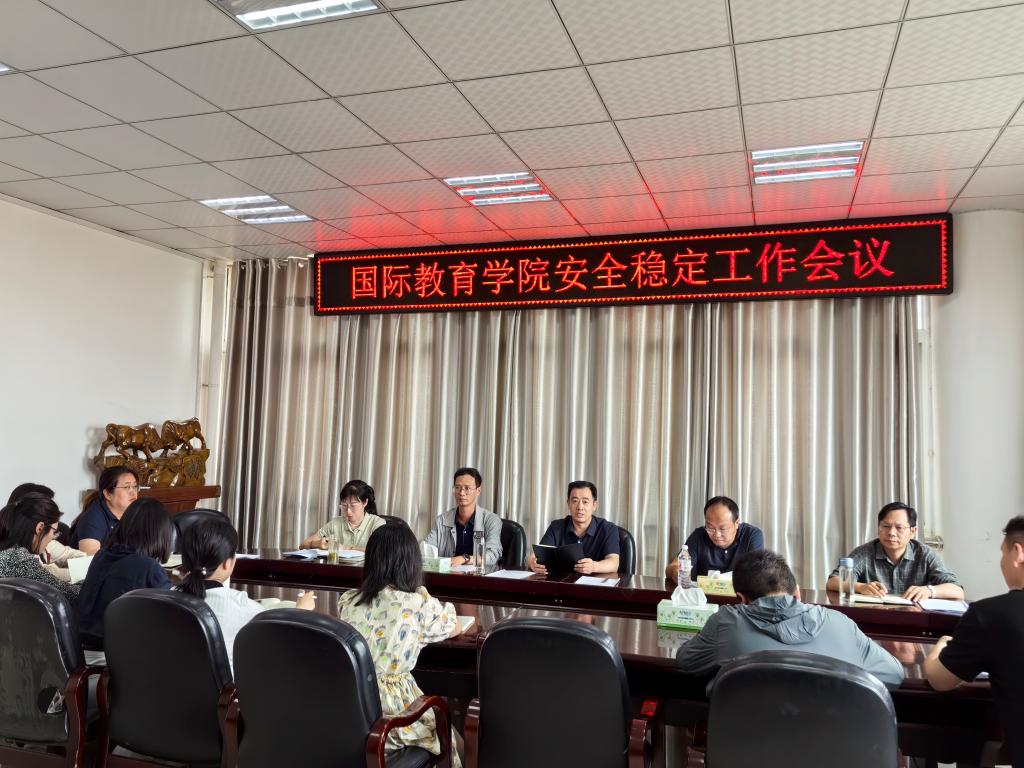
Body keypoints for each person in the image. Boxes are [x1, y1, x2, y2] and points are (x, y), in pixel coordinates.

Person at [677, 549, 904, 690]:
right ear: (797, 593)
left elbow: (686, 659)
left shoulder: (726, 624)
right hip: (831, 746)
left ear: (741, 599)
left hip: (749, 746)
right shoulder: (841, 624)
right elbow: (894, 673)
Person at [339, 522, 462, 766]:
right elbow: (455, 625)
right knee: (449, 733)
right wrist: (423, 594)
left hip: (350, 714)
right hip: (390, 720)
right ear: (411, 562)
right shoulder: (417, 604)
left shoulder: (349, 600)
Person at [923, 516, 1024, 768]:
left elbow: (940, 680)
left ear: (1018, 553)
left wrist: (939, 648)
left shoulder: (991, 614)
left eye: (1002, 553)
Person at [178, 517, 314, 673]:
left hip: (170, 685)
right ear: (227, 563)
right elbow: (283, 636)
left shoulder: (166, 596)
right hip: (228, 689)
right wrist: (302, 609)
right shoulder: (241, 605)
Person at [75, 497, 175, 650]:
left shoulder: (102, 555)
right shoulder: (148, 567)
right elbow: (174, 611)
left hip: (81, 647)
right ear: (162, 534)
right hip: (111, 655)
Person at [826, 502, 964, 601]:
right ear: (878, 528)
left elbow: (957, 590)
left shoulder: (925, 554)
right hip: (875, 618)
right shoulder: (864, 552)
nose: (891, 533)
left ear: (912, 532)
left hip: (915, 620)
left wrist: (929, 590)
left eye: (899, 528)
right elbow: (832, 582)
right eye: (886, 526)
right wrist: (860, 587)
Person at [527, 481, 620, 576]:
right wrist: (532, 563)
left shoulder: (608, 529)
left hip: (594, 583)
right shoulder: (556, 527)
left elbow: (614, 563)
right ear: (568, 503)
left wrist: (594, 566)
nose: (580, 507)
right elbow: (533, 557)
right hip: (562, 583)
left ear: (594, 505)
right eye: (575, 501)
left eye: (585, 502)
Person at [0, 493, 80, 602]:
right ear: (40, 528)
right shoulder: (20, 560)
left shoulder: (8, 555)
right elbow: (71, 594)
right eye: (54, 532)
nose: (53, 538)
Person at [666, 495, 764, 583]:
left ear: (737, 523)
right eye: (711, 528)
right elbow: (671, 568)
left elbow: (756, 575)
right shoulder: (699, 535)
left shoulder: (752, 536)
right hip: (703, 596)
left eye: (723, 528)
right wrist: (676, 571)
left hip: (738, 596)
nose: (717, 534)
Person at [422, 467, 502, 567]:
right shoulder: (442, 520)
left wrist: (464, 559)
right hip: (448, 574)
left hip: (480, 575)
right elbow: (426, 549)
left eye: (467, 488)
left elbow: (493, 555)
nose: (461, 493)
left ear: (478, 491)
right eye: (457, 488)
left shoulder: (491, 520)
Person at [6, 482, 86, 581]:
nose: (53, 511)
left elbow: (78, 557)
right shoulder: (18, 558)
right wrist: (54, 572)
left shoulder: (46, 544)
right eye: (46, 506)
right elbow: (59, 584)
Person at [69, 467, 139, 555]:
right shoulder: (93, 517)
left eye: (135, 486)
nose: (133, 493)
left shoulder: (134, 514)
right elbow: (91, 556)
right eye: (126, 487)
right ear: (107, 494)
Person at [301, 479, 385, 551]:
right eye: (344, 505)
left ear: (365, 502)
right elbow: (302, 545)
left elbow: (381, 551)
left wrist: (345, 548)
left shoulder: (377, 523)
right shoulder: (336, 523)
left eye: (353, 505)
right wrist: (316, 544)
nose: (348, 511)